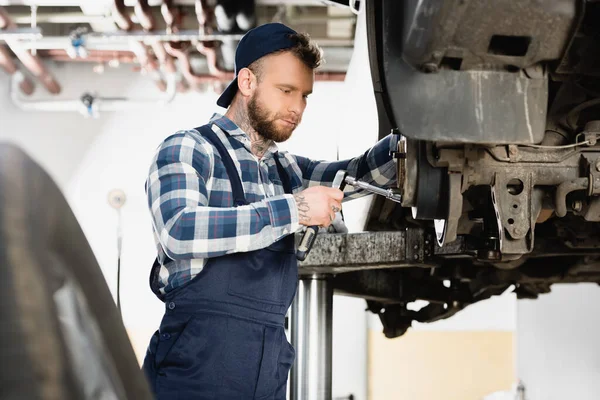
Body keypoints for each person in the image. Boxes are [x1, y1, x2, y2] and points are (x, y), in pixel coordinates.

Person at [142, 22, 397, 399]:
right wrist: (294, 208)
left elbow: (356, 174)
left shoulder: (286, 170)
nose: (297, 108)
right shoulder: (189, 149)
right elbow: (180, 230)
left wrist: (408, 140)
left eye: (305, 95)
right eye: (286, 90)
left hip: (268, 370)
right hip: (194, 370)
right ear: (247, 83)